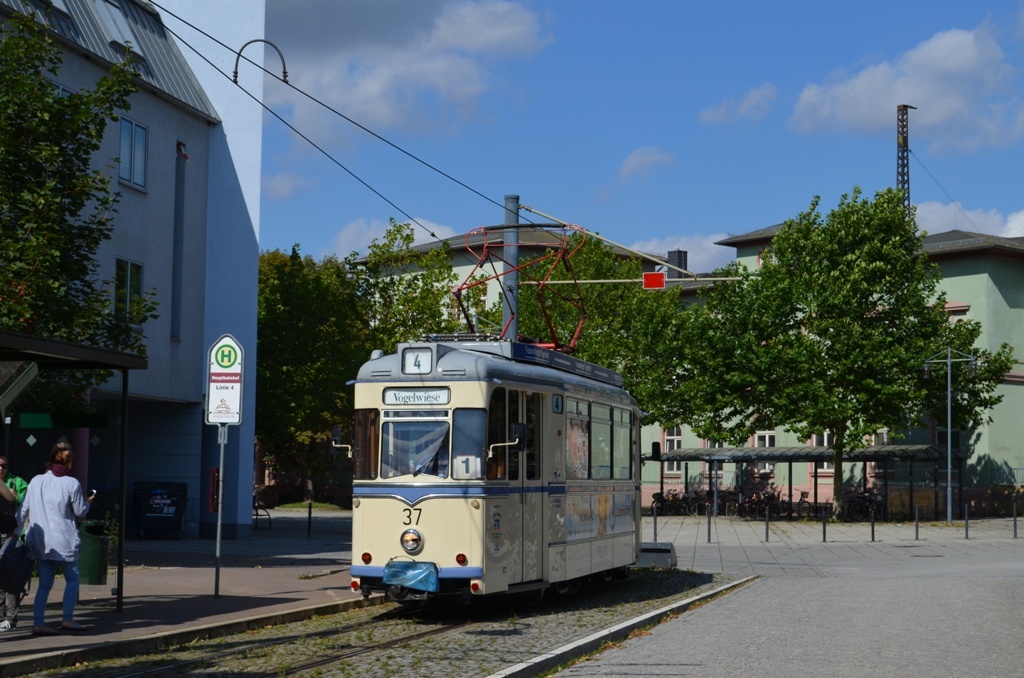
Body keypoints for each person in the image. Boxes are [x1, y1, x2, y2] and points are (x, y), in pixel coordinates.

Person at [16, 442, 93, 636]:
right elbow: (80, 512)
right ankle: (67, 619)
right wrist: (87, 502)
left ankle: (38, 623)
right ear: (69, 462)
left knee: (44, 584)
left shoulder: (36, 481)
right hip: (64, 540)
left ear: (51, 458)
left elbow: (23, 509)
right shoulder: (72, 483)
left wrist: (15, 532)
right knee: (73, 578)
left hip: (41, 542)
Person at [0, 455, 27, 632]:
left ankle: (10, 617)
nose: (0, 468)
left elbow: (25, 502)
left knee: (10, 577)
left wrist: (15, 496)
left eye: (3, 466)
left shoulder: (17, 482)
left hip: (10, 535)